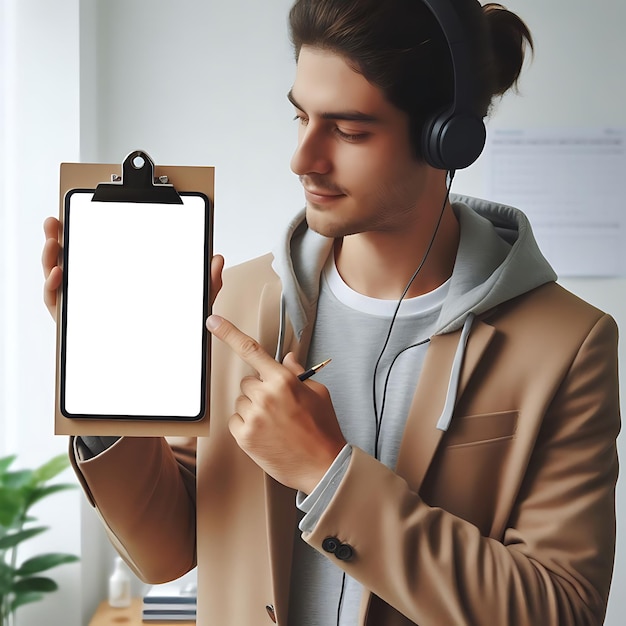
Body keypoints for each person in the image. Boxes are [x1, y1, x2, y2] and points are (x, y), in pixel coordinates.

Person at [42, 0, 620, 624]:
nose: (303, 159)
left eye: (348, 131)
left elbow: (562, 610)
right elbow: (165, 552)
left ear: (445, 140)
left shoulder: (569, 344)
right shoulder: (232, 304)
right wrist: (103, 377)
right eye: (300, 116)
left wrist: (327, 472)